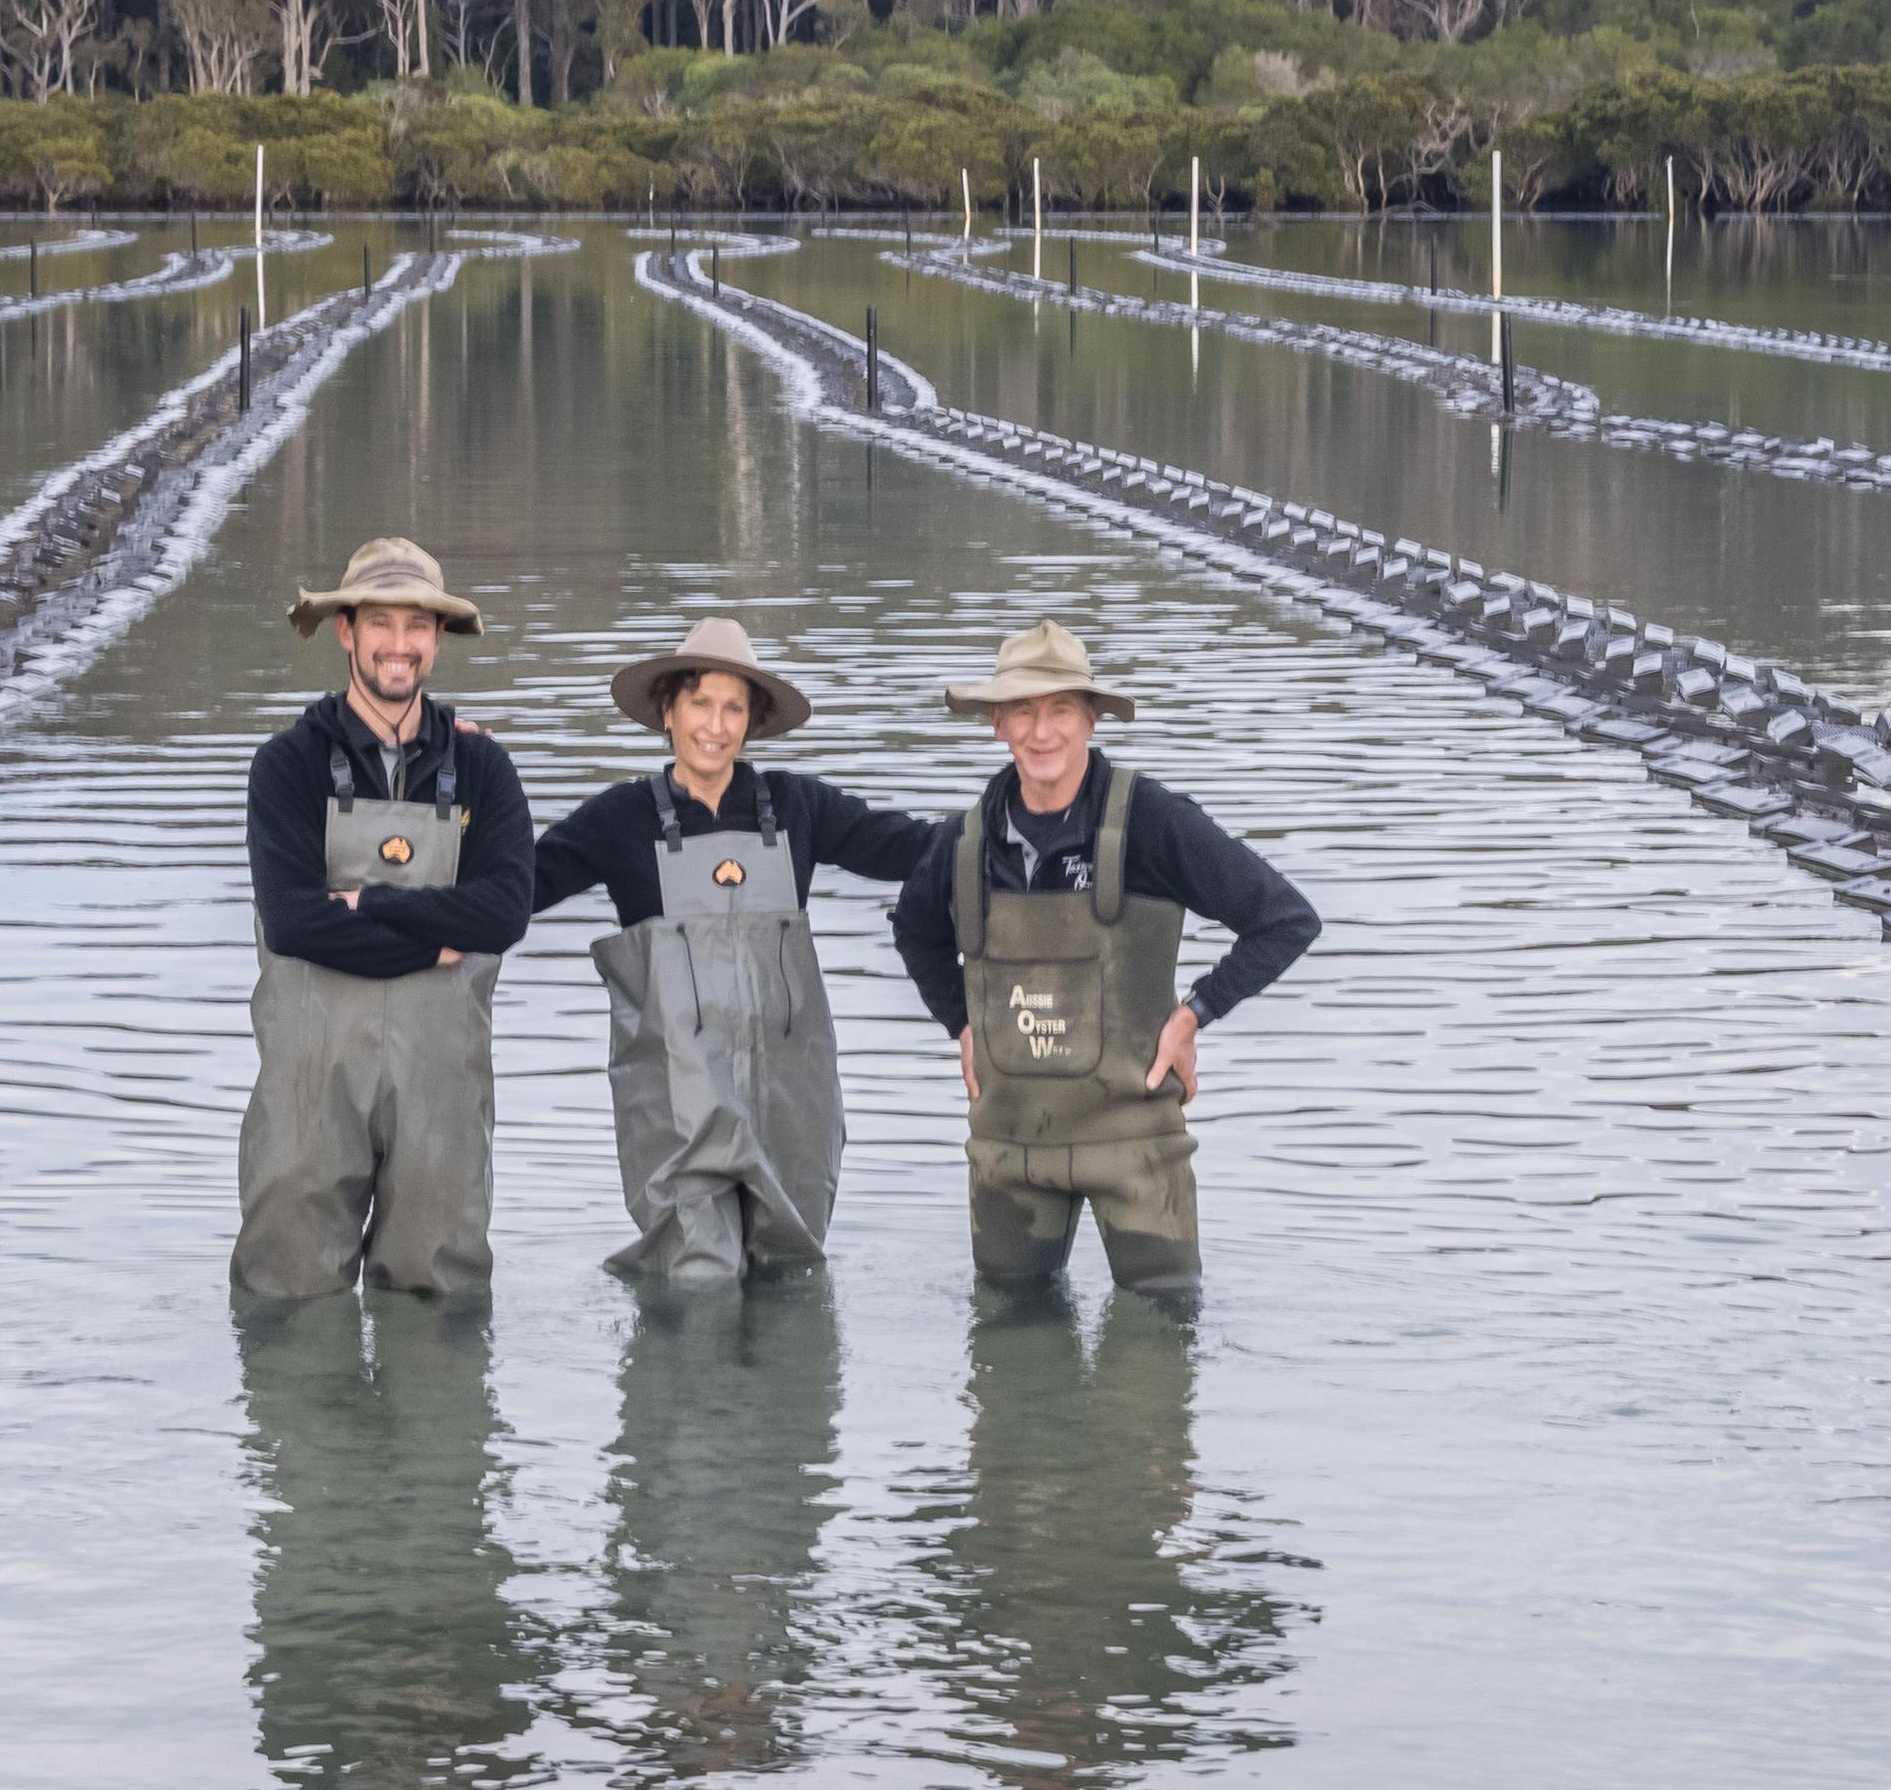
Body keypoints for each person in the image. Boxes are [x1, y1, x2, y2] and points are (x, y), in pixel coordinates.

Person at [888, 620, 1317, 1301]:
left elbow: (1285, 919)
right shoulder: (966, 841)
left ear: (1091, 717)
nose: (1042, 731)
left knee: (1157, 1354)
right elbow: (913, 929)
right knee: (1007, 1370)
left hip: (1136, 1145)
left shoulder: (1151, 821)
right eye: (1024, 711)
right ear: (997, 723)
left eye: (1061, 709)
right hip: (1008, 1151)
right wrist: (961, 1026)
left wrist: (1194, 1013)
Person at [532, 615, 943, 1283]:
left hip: (789, 1098)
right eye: (700, 704)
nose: (715, 726)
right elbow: (514, 887)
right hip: (676, 1101)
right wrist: (466, 798)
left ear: (752, 721)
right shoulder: (618, 821)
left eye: (733, 708)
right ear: (668, 710)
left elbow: (906, 845)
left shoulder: (797, 806)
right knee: (701, 1275)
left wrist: (1016, 821)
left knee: (790, 1282)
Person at [236, 537, 532, 1303]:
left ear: (437, 640)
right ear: (346, 631)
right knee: (288, 1291)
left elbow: (504, 911)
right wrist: (437, 938)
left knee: (440, 1300)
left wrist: (375, 903)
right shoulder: (286, 765)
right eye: (381, 622)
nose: (399, 645)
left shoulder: (483, 768)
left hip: (442, 1085)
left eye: (418, 625)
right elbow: (296, 922)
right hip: (311, 1084)